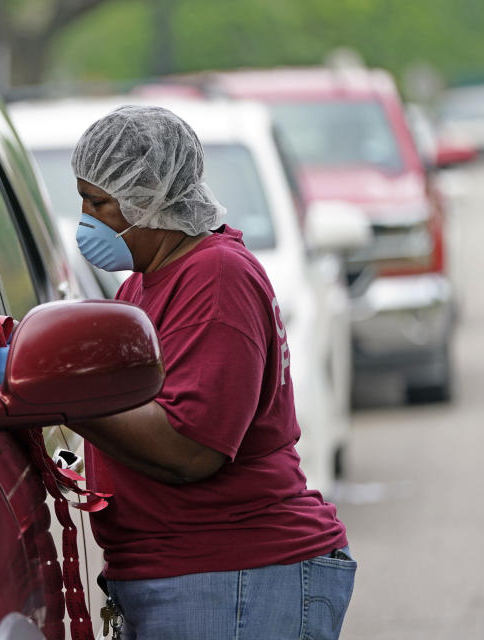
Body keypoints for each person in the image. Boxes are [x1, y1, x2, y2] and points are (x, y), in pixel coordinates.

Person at [66, 105, 355, 639]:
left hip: (236, 575)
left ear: (147, 197)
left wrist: (64, 396)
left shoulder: (215, 276)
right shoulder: (144, 283)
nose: (83, 219)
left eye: (98, 202)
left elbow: (191, 450)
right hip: (195, 575)